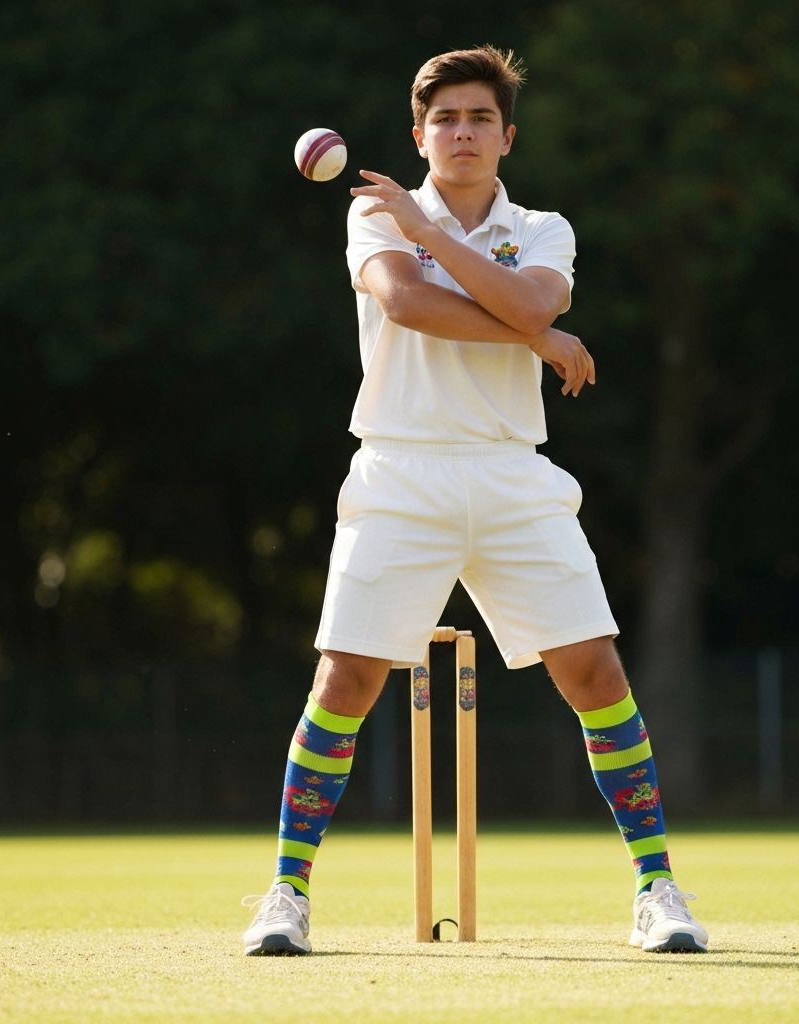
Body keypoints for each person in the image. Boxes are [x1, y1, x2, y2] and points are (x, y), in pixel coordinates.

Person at [242, 45, 708, 956]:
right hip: (399, 468)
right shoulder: (375, 212)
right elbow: (407, 303)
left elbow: (536, 303)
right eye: (446, 119)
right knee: (344, 681)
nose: (463, 132)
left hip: (510, 471)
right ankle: (285, 894)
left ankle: (657, 888)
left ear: (507, 138)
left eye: (480, 119)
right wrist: (530, 335)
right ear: (419, 134)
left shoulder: (542, 227)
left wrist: (453, 251)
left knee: (596, 675)